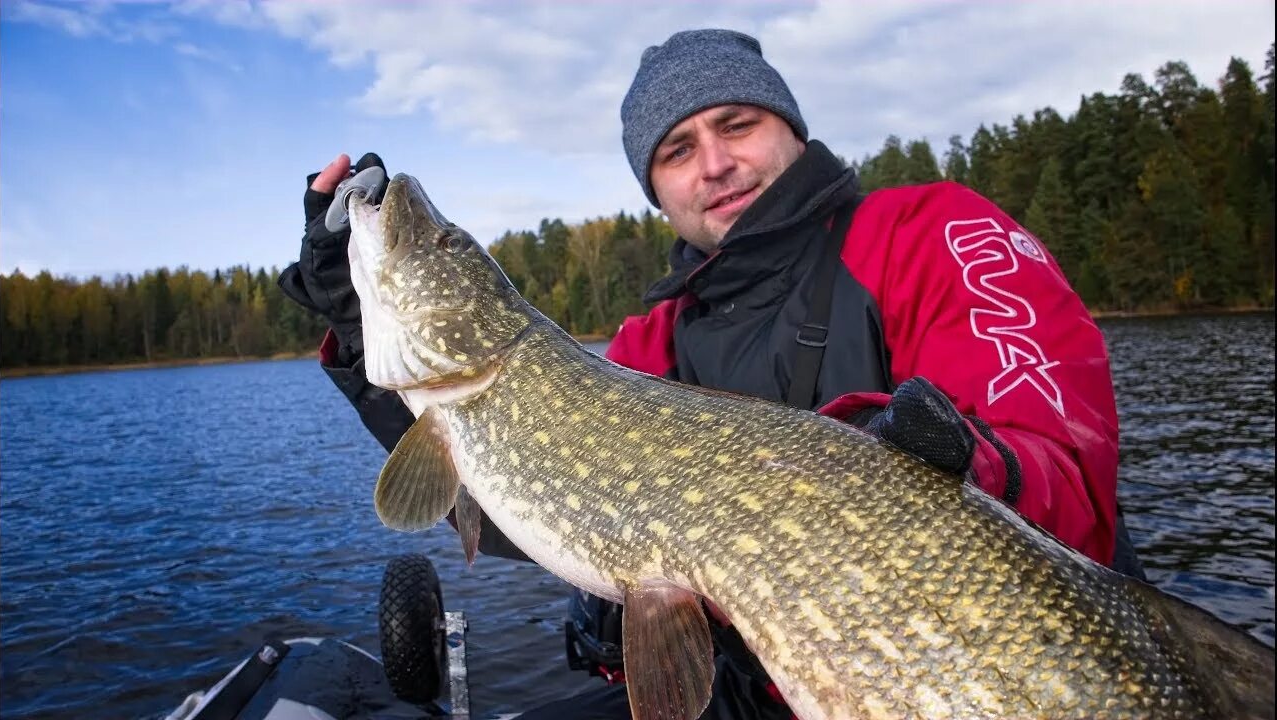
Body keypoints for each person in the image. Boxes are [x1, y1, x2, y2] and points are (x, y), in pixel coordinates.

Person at [280, 27, 1144, 720]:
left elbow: (1061, 455)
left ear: (791, 131)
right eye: (677, 151)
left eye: (737, 126)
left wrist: (971, 468)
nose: (714, 164)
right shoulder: (652, 341)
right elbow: (528, 510)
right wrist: (358, 327)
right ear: (656, 188)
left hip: (974, 662)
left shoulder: (925, 231)